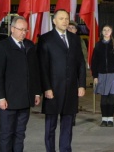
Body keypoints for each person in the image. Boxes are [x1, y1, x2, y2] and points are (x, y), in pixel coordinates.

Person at [38, 9, 87, 152]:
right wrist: (47, 88)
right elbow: (43, 66)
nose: (65, 21)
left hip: (71, 89)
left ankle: (65, 149)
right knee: (51, 126)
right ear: (54, 21)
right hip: (53, 90)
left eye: (66, 18)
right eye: (61, 18)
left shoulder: (74, 39)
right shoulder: (45, 39)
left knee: (67, 125)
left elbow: (81, 63)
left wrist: (81, 84)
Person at [0, 17, 41, 152]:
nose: (23, 33)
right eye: (20, 30)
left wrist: (36, 92)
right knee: (7, 134)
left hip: (25, 99)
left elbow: (34, 71)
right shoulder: (3, 47)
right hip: (9, 100)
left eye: (25, 30)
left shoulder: (30, 46)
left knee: (20, 134)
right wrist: (0, 97)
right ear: (12, 29)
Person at [92, 25, 114, 127]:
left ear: (111, 32)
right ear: (102, 32)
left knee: (111, 97)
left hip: (113, 75)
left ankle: (110, 119)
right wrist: (95, 76)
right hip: (101, 75)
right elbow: (94, 62)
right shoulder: (98, 45)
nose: (106, 32)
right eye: (104, 30)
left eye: (108, 30)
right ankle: (104, 119)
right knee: (103, 97)